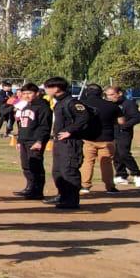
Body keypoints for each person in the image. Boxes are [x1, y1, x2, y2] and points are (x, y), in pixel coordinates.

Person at [44, 77, 92, 210]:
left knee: (69, 171)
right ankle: (62, 195)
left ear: (56, 88)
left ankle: (72, 200)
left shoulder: (71, 102)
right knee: (58, 171)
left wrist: (69, 131)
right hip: (59, 142)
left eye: (48, 87)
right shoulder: (60, 102)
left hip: (70, 143)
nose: (46, 90)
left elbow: (84, 117)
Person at [12, 83, 51, 199]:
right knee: (26, 165)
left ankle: (38, 191)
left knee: (35, 165)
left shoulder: (43, 107)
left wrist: (40, 141)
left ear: (37, 93)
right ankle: (30, 187)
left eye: (29, 93)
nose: (26, 95)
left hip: (34, 140)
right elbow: (22, 126)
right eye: (24, 93)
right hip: (24, 139)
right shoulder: (25, 106)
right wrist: (19, 140)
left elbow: (45, 126)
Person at [80, 84, 120, 194]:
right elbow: (121, 121)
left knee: (88, 162)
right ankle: (110, 187)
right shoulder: (111, 106)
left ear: (87, 93)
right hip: (107, 138)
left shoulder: (82, 105)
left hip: (88, 138)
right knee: (106, 163)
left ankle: (85, 185)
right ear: (101, 93)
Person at [106, 86, 140, 188]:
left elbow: (137, 118)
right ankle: (121, 175)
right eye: (107, 95)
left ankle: (137, 174)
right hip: (112, 132)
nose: (109, 97)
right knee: (116, 154)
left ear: (119, 93)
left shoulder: (128, 104)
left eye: (111, 94)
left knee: (124, 153)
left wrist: (124, 126)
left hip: (124, 132)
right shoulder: (110, 105)